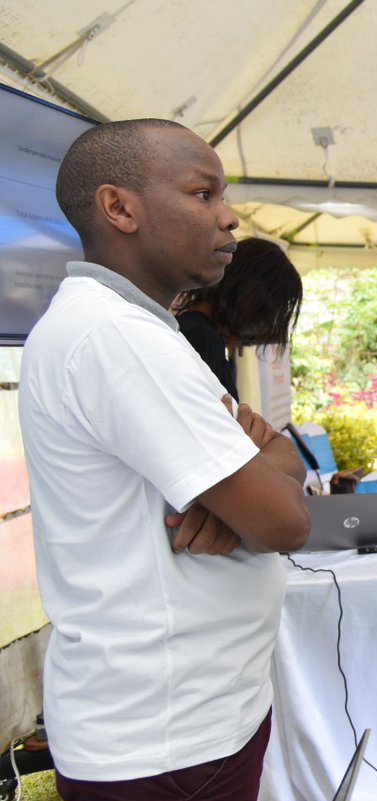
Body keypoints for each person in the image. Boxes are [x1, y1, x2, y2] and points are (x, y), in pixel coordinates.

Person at [19, 118, 310, 801]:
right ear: (120, 207)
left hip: (188, 720)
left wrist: (256, 473)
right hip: (164, 737)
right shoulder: (118, 338)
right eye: (203, 194)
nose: (229, 217)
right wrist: (260, 482)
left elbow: (278, 460)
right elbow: (287, 522)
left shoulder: (145, 329)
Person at [173, 236, 303, 400]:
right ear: (250, 296)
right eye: (264, 312)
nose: (262, 325)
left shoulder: (198, 332)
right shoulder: (202, 338)